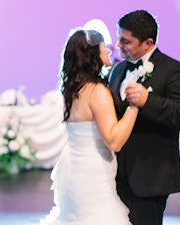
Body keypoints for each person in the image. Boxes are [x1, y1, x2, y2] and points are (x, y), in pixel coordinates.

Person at [39, 29, 139, 225]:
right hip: (94, 176)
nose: (110, 50)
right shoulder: (97, 91)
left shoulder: (73, 89)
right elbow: (114, 141)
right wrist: (134, 106)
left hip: (75, 171)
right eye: (104, 46)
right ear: (92, 52)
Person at [108, 10, 180, 225]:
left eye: (125, 41)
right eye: (119, 38)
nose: (118, 45)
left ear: (148, 43)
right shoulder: (118, 70)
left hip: (150, 177)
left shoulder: (174, 70)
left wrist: (148, 101)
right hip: (114, 174)